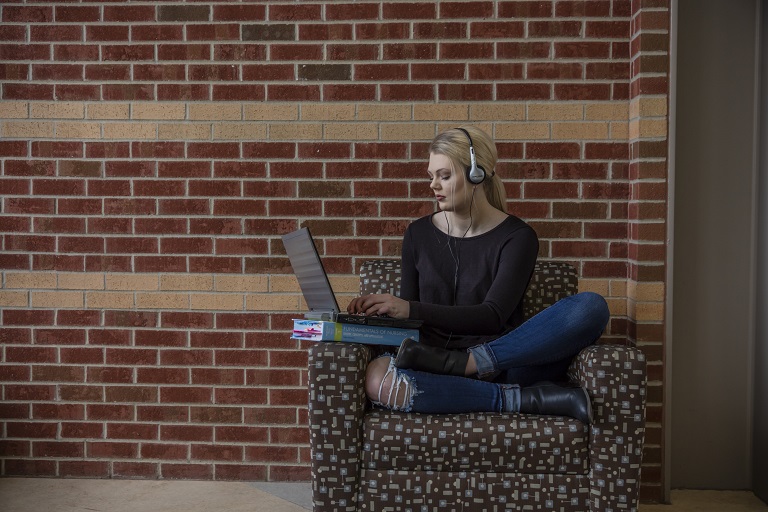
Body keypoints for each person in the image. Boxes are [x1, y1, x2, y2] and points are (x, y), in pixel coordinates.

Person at [346, 126, 610, 423]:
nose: (434, 185)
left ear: (476, 175)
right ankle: (513, 398)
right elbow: (413, 323)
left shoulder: (518, 237)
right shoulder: (417, 234)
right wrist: (367, 322)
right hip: (432, 362)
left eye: (444, 176)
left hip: (506, 363)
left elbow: (493, 315)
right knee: (377, 377)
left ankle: (471, 365)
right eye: (431, 176)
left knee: (592, 307)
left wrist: (467, 358)